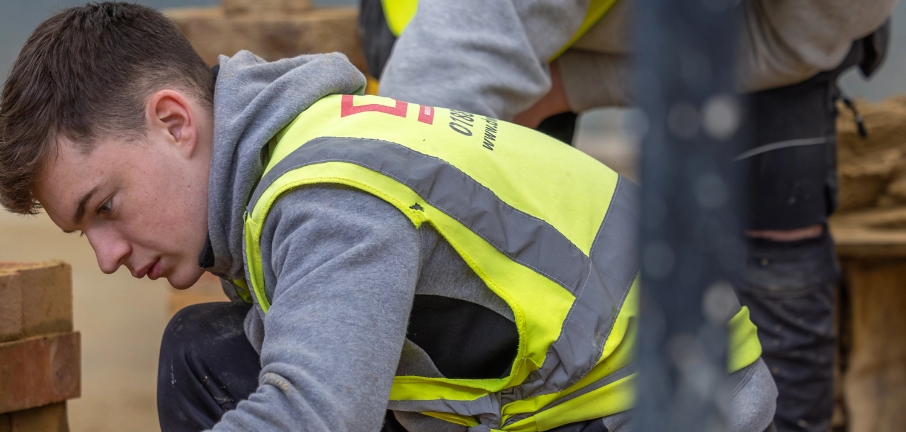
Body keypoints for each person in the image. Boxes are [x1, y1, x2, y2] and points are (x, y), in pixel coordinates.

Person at [0, 3, 776, 431]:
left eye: (106, 208)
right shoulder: (304, 148)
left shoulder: (326, 194)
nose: (107, 255)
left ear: (174, 122)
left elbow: (316, 417)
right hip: (586, 394)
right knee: (208, 353)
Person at [358, 1, 894, 430]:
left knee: (781, 203)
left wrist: (571, 83)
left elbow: (790, 42)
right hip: (463, 35)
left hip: (723, 28)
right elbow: (418, 138)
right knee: (476, 272)